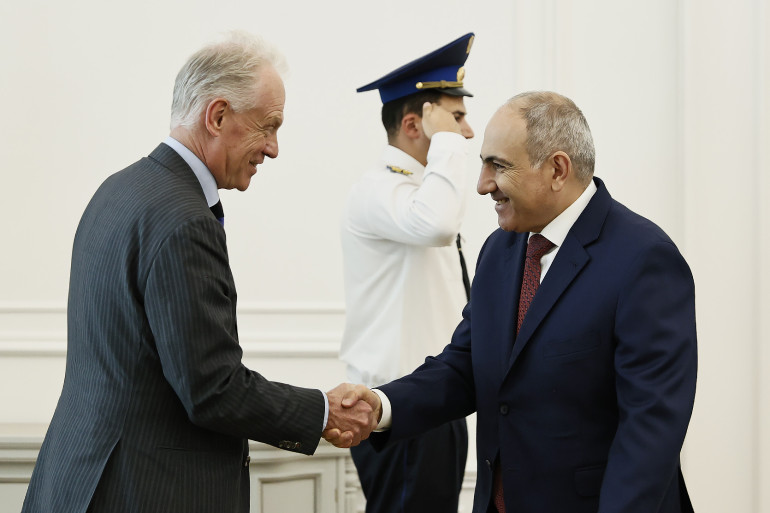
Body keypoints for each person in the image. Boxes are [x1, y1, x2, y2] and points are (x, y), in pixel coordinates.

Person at [21, 32, 378, 513]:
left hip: (77, 481)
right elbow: (212, 390)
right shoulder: (185, 220)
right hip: (142, 492)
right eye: (269, 126)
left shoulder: (119, 189)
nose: (273, 148)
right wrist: (322, 411)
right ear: (218, 116)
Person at [337, 91, 698, 513]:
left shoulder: (643, 259)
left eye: (499, 166)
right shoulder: (501, 250)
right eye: (482, 164)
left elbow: (650, 430)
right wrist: (381, 406)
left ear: (558, 170)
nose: (482, 184)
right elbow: (465, 367)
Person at [339, 33, 476, 513]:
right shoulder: (378, 190)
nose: (468, 132)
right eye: (456, 118)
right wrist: (446, 144)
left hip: (432, 401)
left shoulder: (419, 191)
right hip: (399, 407)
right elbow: (437, 225)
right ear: (414, 124)